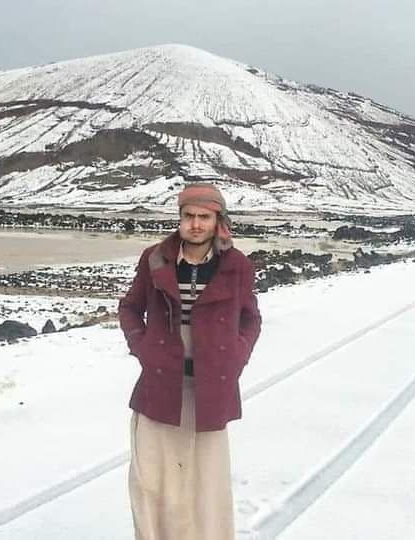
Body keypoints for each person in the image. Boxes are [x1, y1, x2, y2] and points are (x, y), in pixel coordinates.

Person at [118, 182, 262, 540]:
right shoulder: (155, 258)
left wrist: (236, 356)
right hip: (160, 384)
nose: (195, 224)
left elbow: (251, 318)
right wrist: (143, 347)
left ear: (217, 221)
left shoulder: (237, 266)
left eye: (204, 217)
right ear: (180, 219)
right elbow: (130, 308)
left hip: (211, 388)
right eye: (188, 216)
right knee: (150, 482)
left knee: (206, 486)